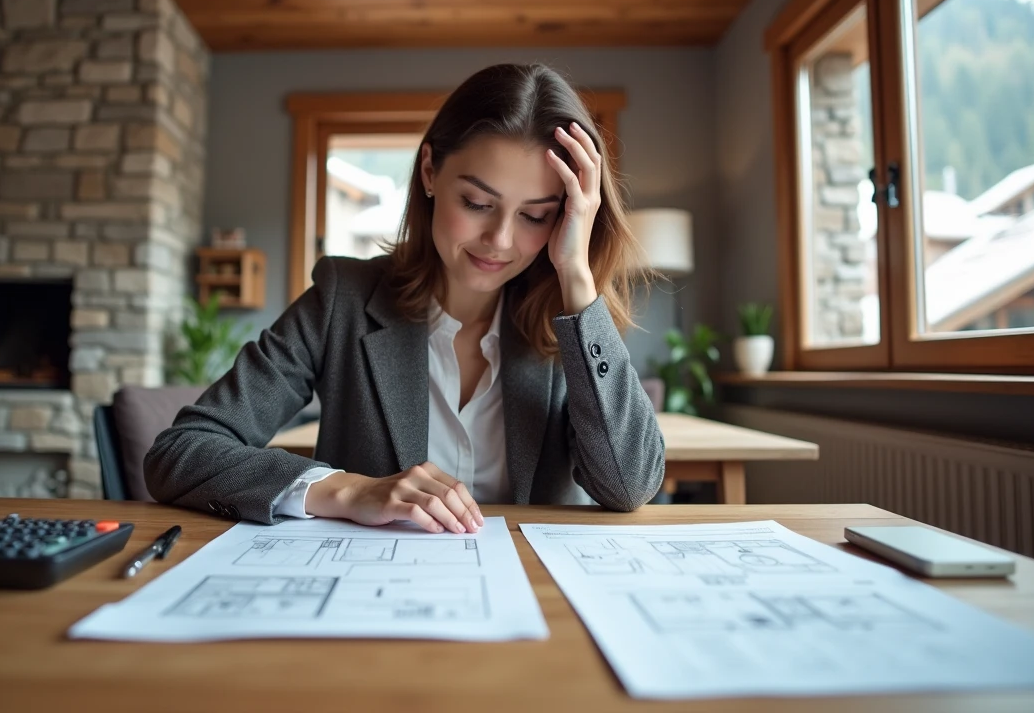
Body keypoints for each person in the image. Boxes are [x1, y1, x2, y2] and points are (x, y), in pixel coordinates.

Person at [145, 63, 665, 534]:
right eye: (478, 202)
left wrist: (575, 274)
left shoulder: (572, 324)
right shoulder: (341, 301)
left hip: (536, 603)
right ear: (429, 172)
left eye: (536, 215)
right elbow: (181, 452)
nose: (501, 240)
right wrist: (347, 489)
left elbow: (630, 486)